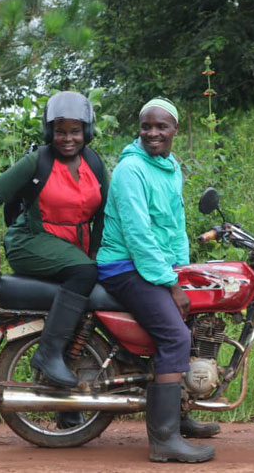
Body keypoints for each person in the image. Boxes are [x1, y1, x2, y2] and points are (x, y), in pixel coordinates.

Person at [96, 97, 216, 463]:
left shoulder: (169, 166)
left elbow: (175, 225)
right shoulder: (132, 170)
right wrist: (170, 282)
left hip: (153, 266)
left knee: (196, 320)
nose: (153, 133)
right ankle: (164, 441)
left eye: (161, 126)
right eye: (146, 126)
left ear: (175, 129)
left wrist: (183, 271)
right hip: (124, 267)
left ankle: (178, 415)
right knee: (175, 335)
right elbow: (138, 234)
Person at [0, 91, 107, 390]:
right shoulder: (38, 161)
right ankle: (47, 355)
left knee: (85, 310)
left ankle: (68, 406)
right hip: (31, 241)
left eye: (75, 131)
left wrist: (97, 252)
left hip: (73, 248)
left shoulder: (94, 164)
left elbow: (103, 213)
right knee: (85, 273)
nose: (67, 138)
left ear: (86, 131)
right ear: (50, 132)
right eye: (60, 131)